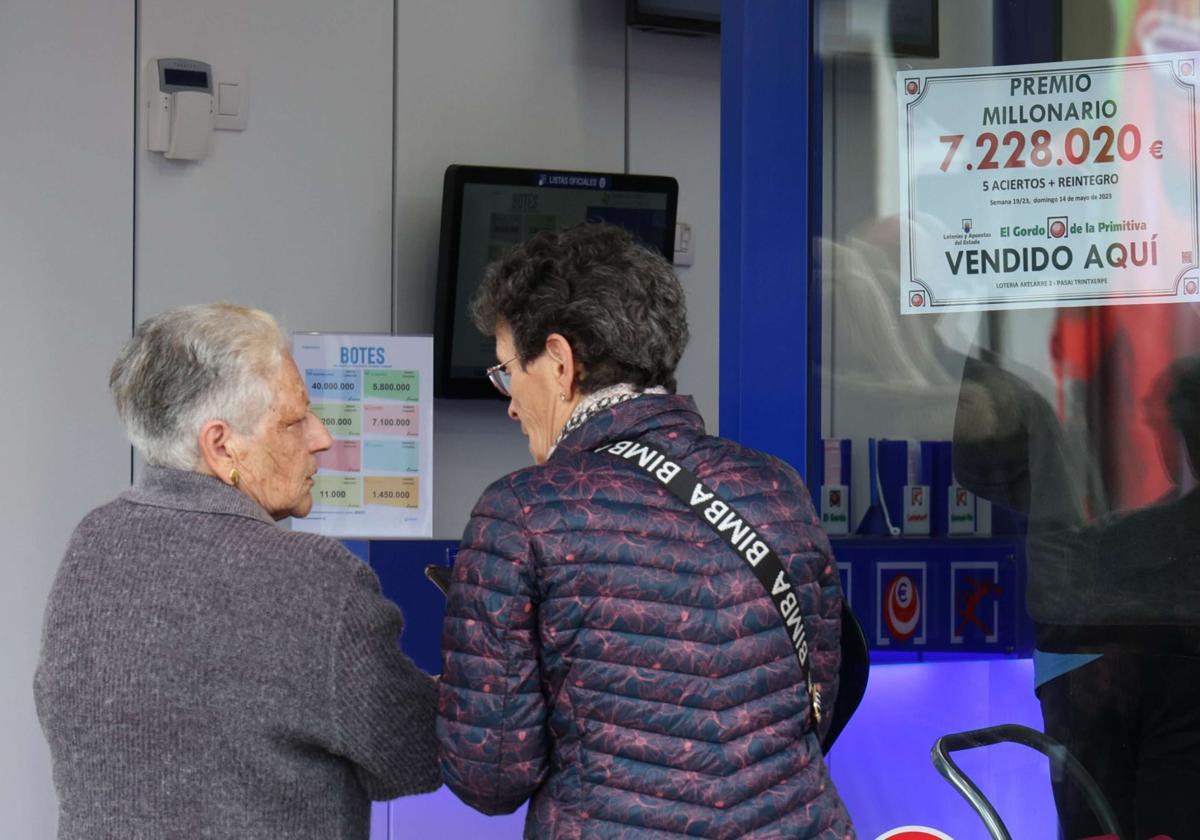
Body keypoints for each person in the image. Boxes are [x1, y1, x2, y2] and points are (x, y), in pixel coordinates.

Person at [437, 223, 854, 838]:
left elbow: (491, 774)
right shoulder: (777, 487)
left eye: (505, 372)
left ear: (558, 361)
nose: (509, 402)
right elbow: (817, 705)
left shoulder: (521, 512)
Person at [34, 303, 439, 840]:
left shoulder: (93, 541)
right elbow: (415, 755)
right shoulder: (314, 577)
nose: (321, 437)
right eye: (294, 421)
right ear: (221, 445)